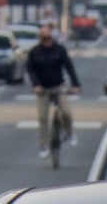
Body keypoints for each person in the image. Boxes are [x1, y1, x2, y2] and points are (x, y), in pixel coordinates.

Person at [25, 23, 81, 157]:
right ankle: (44, 144)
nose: (47, 41)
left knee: (66, 112)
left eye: (49, 37)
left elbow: (69, 66)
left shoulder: (59, 50)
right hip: (42, 88)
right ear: (40, 39)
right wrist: (36, 85)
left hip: (58, 85)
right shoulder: (34, 52)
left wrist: (75, 84)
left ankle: (70, 132)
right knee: (42, 117)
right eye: (44, 38)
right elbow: (31, 70)